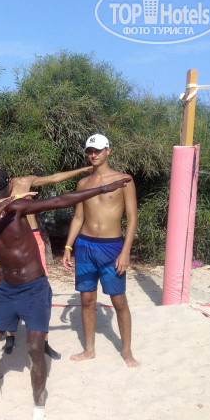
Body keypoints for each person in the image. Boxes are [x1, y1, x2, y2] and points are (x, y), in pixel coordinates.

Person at [0, 176, 132, 420]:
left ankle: (39, 407)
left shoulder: (15, 209)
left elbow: (60, 201)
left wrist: (103, 188)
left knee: (34, 347)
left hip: (34, 287)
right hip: (7, 290)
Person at [0, 166, 92, 358]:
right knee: (5, 286)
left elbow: (55, 177)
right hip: (9, 241)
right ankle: (10, 336)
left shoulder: (24, 181)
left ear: (10, 181)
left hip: (33, 237)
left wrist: (82, 170)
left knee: (41, 289)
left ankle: (44, 341)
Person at [62, 134, 139, 367]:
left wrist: (126, 251)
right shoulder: (83, 184)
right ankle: (89, 349)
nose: (93, 155)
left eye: (97, 150)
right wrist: (68, 247)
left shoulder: (124, 180)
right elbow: (78, 217)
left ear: (108, 150)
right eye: (89, 151)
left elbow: (132, 218)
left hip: (111, 246)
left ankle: (127, 350)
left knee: (119, 300)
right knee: (87, 299)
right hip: (84, 245)